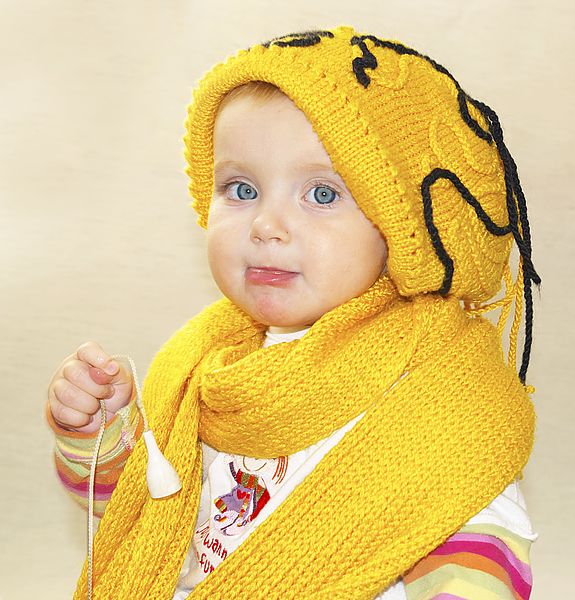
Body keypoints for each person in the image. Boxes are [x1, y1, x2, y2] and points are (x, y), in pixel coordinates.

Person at [46, 25, 541, 599]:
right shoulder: (206, 363)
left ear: (401, 227)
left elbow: (477, 546)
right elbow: (137, 517)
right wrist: (98, 434)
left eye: (322, 195)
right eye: (240, 188)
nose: (265, 225)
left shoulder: (434, 388)